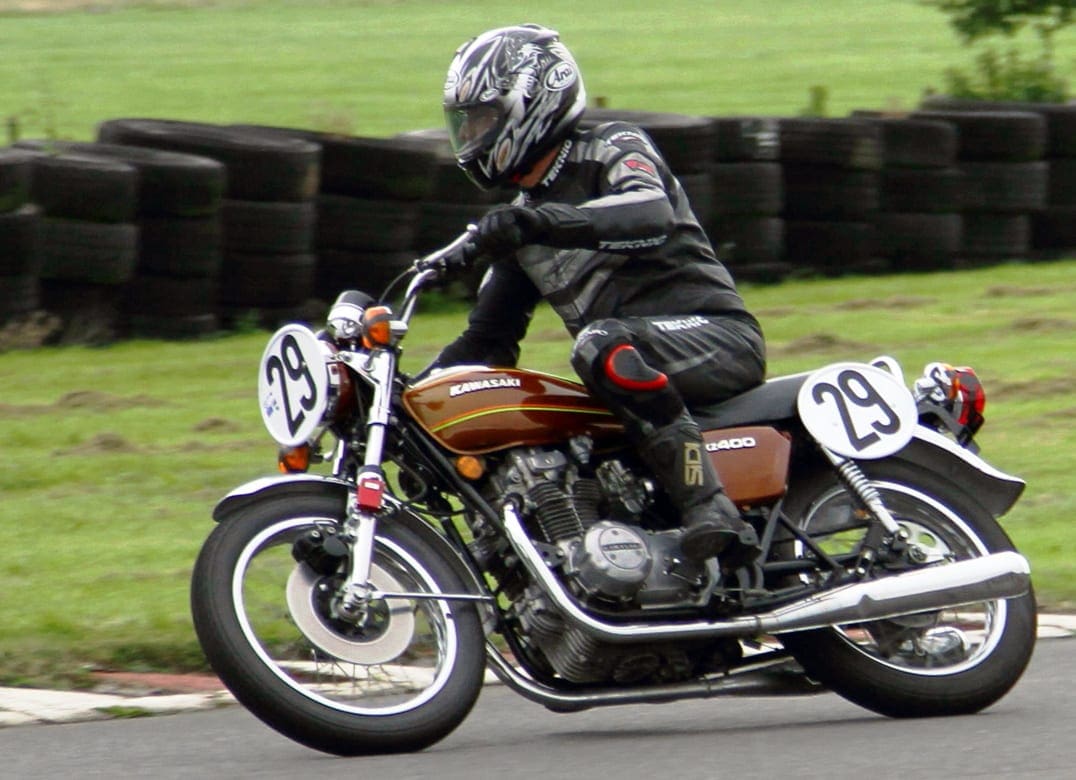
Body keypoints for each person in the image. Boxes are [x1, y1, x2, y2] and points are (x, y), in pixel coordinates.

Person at [429, 24, 766, 568]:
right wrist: (408, 397)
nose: (472, 135)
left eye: (484, 119)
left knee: (598, 344)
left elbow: (648, 215)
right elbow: (487, 343)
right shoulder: (525, 222)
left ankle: (712, 509)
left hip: (717, 337)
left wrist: (534, 223)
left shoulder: (613, 146)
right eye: (464, 123)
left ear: (534, 100)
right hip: (632, 364)